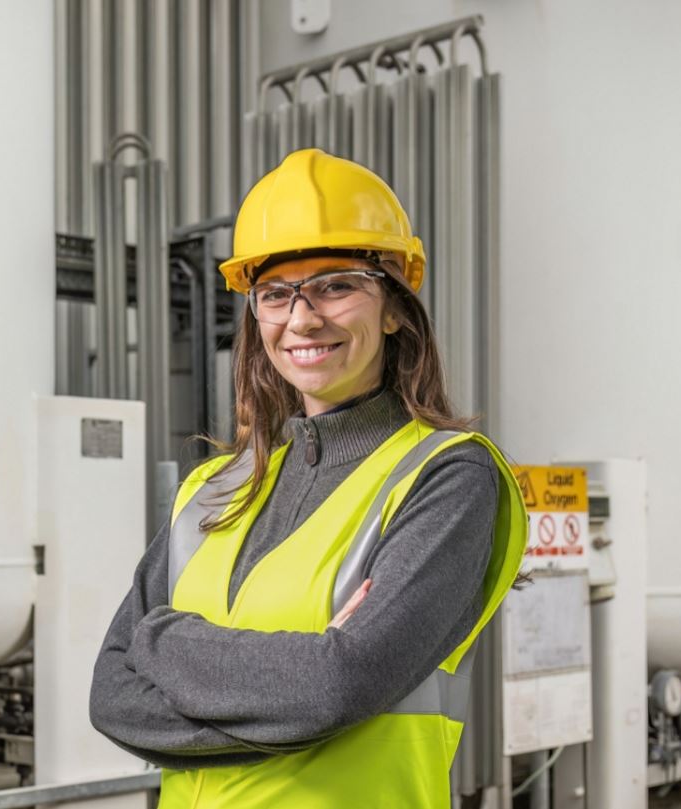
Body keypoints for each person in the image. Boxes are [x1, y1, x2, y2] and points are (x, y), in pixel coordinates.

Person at [88, 148, 528, 808]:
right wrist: (289, 697)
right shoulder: (211, 489)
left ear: (393, 308)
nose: (301, 318)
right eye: (275, 294)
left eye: (335, 284)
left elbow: (337, 684)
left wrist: (159, 639)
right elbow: (109, 694)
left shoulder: (445, 476)